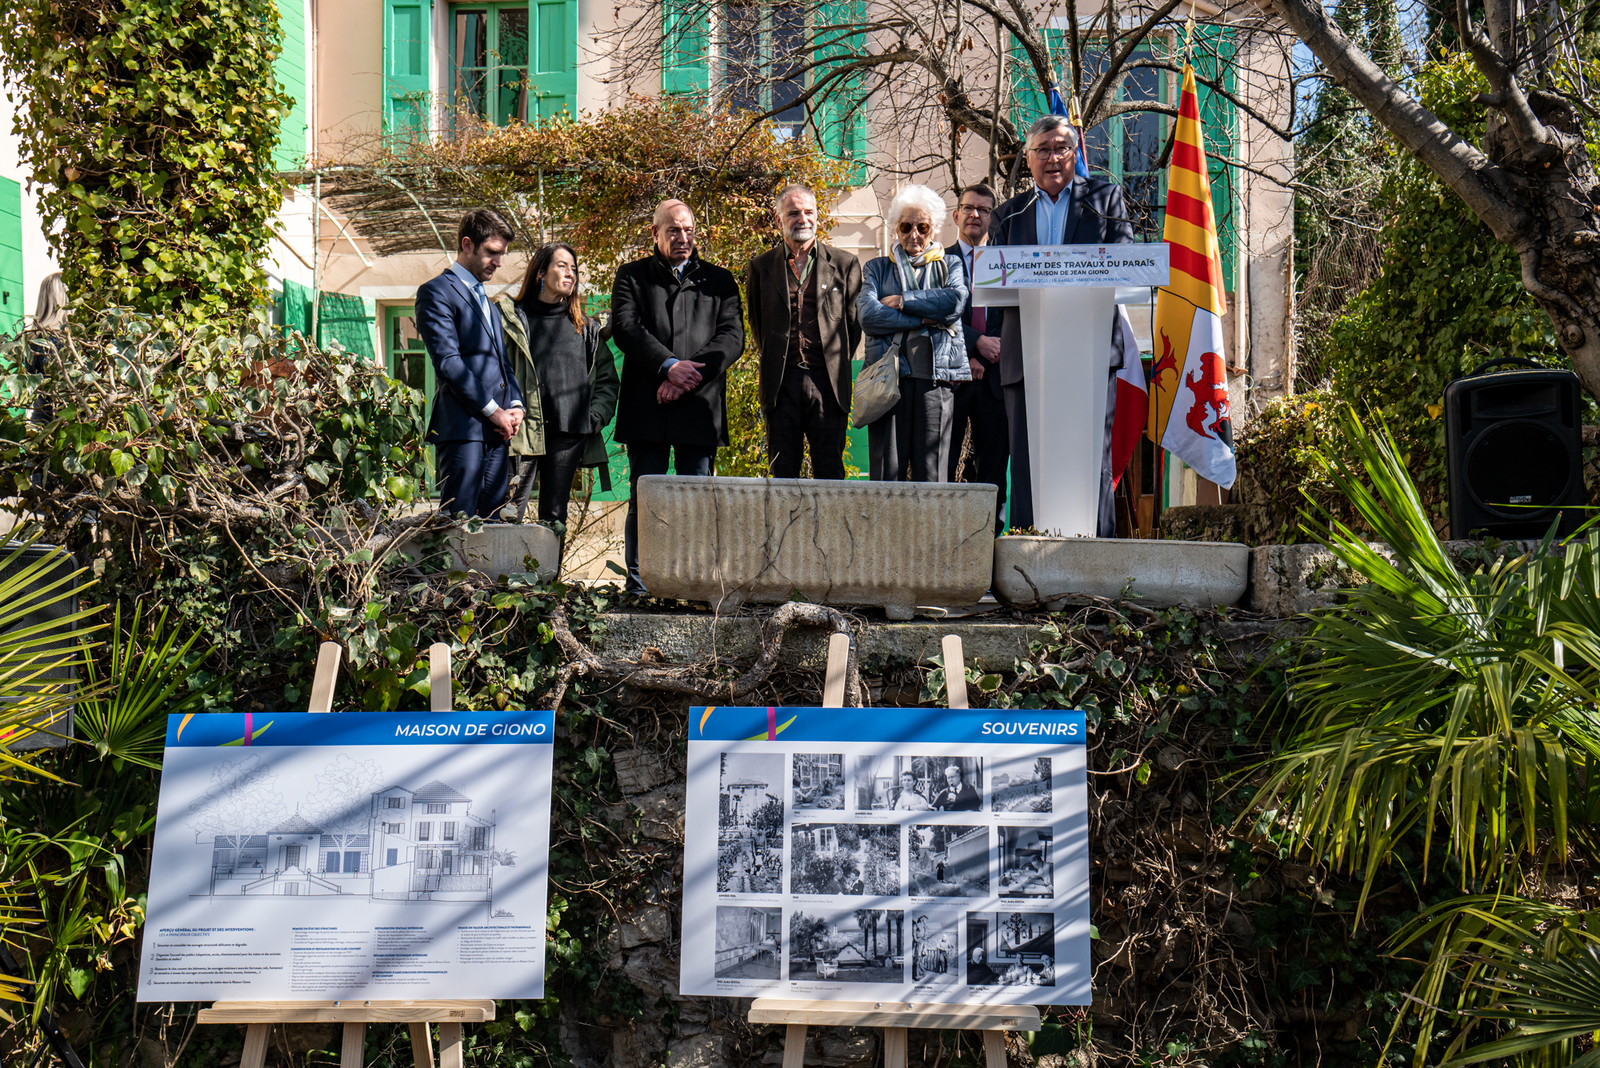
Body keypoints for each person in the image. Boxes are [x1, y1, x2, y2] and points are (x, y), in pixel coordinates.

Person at [985, 114, 1135, 533]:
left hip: (1089, 354)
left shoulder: (1104, 199)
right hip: (1026, 357)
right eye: (1043, 150)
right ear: (1029, 158)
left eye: (1062, 148)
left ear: (1075, 153)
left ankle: (1096, 554)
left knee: (1091, 460)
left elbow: (1126, 263)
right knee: (1027, 461)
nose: (1053, 158)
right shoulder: (1008, 215)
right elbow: (992, 289)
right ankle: (1026, 553)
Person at [611, 198, 745, 595]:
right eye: (674, 230)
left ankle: (693, 583)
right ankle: (640, 585)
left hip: (699, 408)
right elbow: (626, 327)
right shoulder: (631, 276)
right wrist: (667, 365)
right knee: (644, 498)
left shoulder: (720, 281)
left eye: (688, 230)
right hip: (647, 405)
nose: (683, 237)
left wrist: (686, 377)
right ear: (655, 233)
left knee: (696, 499)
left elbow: (732, 337)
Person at [495, 242, 619, 527]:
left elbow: (607, 381)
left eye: (574, 268)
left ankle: (551, 561)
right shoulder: (513, 320)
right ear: (540, 272)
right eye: (562, 266)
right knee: (506, 515)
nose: (570, 273)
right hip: (522, 432)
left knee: (554, 520)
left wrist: (594, 417)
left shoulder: (585, 328)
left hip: (568, 434)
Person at [745, 184, 863, 479]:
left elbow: (853, 325)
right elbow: (758, 325)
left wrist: (832, 362)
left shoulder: (845, 264)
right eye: (794, 213)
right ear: (779, 220)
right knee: (783, 474)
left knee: (830, 474)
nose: (803, 219)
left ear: (817, 216)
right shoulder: (761, 267)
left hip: (828, 383)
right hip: (781, 383)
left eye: (809, 212)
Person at [415, 208, 526, 518]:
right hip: (462, 430)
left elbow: (503, 363)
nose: (499, 262)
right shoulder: (435, 292)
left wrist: (516, 405)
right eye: (492, 252)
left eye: (502, 254)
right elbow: (449, 363)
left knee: (493, 529)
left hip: (498, 433)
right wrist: (494, 411)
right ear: (467, 244)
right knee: (457, 527)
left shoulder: (488, 303)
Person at [858, 185, 970, 482]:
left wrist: (902, 301)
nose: (914, 235)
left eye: (923, 227)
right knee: (886, 477)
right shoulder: (877, 268)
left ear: (934, 228)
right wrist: (924, 317)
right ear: (896, 228)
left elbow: (954, 303)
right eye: (906, 227)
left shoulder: (951, 264)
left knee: (932, 477)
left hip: (935, 381)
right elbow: (868, 317)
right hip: (887, 381)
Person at [944, 184, 1009, 532]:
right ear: (956, 215)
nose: (975, 215)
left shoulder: (1007, 263)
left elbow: (1015, 316)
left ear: (992, 219)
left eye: (983, 210)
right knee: (943, 468)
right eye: (968, 208)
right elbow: (937, 317)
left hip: (996, 382)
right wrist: (974, 345)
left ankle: (991, 547)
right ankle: (943, 542)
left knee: (993, 474)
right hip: (951, 381)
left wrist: (989, 350)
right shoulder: (938, 263)